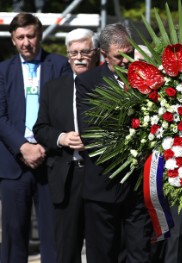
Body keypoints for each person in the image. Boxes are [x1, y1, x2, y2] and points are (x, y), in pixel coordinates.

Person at [75, 23, 153, 263]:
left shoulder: (147, 78)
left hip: (139, 189)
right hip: (103, 186)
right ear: (104, 54)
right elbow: (91, 133)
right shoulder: (88, 82)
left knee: (141, 254)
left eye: (130, 54)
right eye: (119, 57)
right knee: (103, 255)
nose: (126, 61)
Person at [0, 12, 71, 263]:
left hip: (50, 159)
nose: (26, 42)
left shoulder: (60, 65)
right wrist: (22, 147)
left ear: (39, 35)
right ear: (12, 40)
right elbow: (0, 116)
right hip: (13, 163)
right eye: (20, 37)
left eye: (30, 36)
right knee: (13, 235)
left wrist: (42, 145)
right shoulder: (2, 71)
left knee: (53, 234)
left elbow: (64, 111)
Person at [33, 28, 99, 263]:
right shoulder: (53, 88)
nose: (79, 57)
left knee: (99, 249)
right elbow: (40, 128)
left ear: (95, 53)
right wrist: (61, 138)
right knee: (66, 250)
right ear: (67, 55)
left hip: (98, 177)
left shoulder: (107, 85)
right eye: (74, 52)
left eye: (84, 51)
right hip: (65, 176)